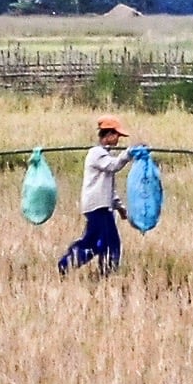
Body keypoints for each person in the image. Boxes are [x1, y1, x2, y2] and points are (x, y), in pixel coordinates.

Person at [58, 115, 135, 276]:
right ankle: (70, 265)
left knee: (95, 242)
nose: (118, 140)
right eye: (116, 136)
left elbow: (109, 188)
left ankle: (70, 265)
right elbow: (113, 166)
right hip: (97, 207)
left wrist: (120, 208)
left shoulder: (103, 154)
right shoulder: (96, 153)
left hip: (102, 206)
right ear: (108, 135)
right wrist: (128, 154)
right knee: (107, 242)